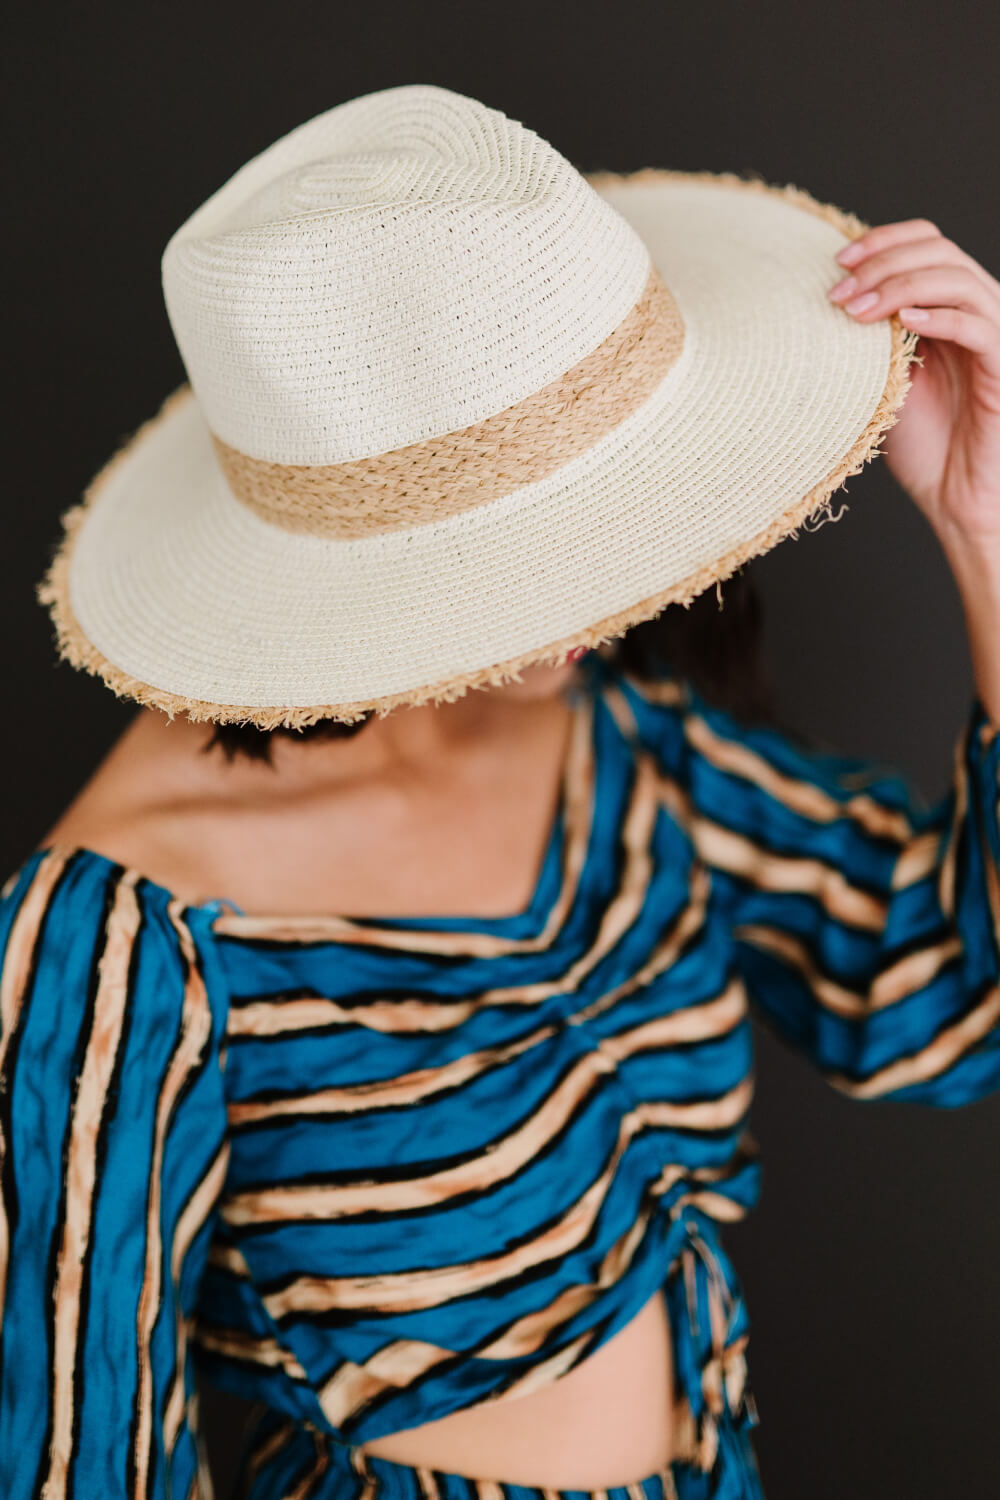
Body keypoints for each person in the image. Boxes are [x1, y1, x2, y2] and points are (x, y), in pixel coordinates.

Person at [1, 83, 998, 1500]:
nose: (612, 574)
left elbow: (955, 1003)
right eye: (544, 521)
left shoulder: (623, 741)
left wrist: (987, 528)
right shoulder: (120, 938)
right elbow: (70, 1460)